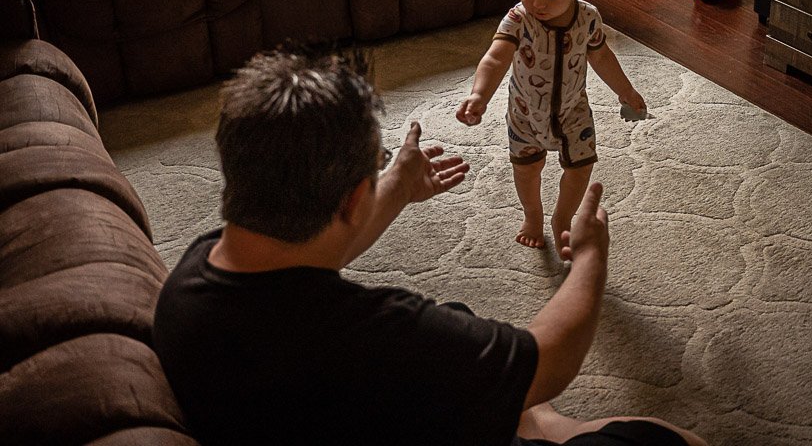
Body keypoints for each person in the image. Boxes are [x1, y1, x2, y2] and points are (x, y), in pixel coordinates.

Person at [152, 48, 705, 446]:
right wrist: (589, 258)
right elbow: (550, 360)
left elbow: (309, 252)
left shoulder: (191, 278)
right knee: (668, 438)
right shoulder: (380, 335)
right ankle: (551, 426)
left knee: (464, 335)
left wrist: (392, 187)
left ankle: (531, 419)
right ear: (354, 199)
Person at [457, 0, 646, 253]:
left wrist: (625, 90)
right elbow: (495, 58)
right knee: (527, 170)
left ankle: (562, 217)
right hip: (525, 114)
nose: (538, 3)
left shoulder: (588, 18)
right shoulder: (518, 20)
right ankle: (532, 215)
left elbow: (602, 57)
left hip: (573, 112)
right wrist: (479, 94)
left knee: (582, 167)